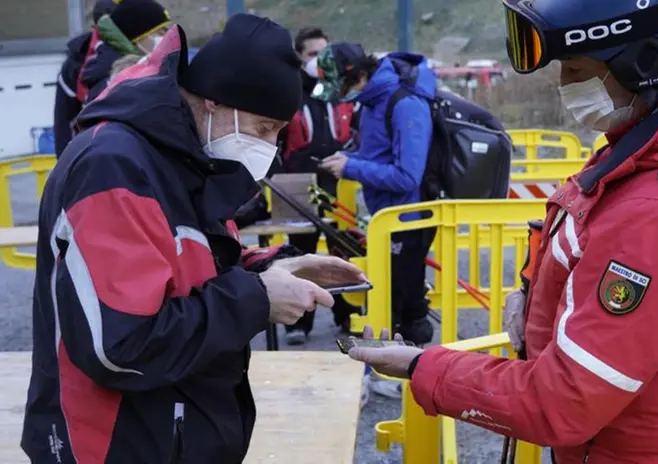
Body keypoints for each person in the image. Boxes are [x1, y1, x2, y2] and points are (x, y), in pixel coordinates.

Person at [348, 0, 658, 462]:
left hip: (636, 449)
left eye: (575, 67)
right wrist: (536, 293)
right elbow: (594, 228)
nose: (565, 84)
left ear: (643, 62)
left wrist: (422, 366)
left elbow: (562, 403)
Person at [22, 14, 366, 463]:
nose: (270, 147)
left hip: (166, 431)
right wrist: (257, 299)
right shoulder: (114, 166)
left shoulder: (178, 154)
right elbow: (120, 345)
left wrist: (270, 267)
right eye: (264, 129)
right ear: (213, 103)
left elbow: (185, 262)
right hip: (112, 442)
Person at [315, 42, 437, 348]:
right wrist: (348, 158)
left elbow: (408, 176)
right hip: (386, 218)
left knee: (401, 304)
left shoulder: (406, 103)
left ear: (355, 76)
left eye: (340, 87)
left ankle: (399, 375)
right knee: (397, 299)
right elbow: (377, 154)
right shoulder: (370, 103)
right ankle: (403, 369)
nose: (341, 97)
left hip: (409, 220)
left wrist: (351, 168)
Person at [275, 27, 361, 345]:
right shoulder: (287, 93)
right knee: (300, 254)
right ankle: (297, 321)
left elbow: (357, 132)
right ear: (299, 57)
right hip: (298, 185)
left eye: (325, 54)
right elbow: (273, 142)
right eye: (313, 54)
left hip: (339, 184)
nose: (319, 61)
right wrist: (280, 180)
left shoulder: (340, 89)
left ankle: (347, 314)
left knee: (345, 252)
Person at [53, 0, 171, 157]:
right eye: (160, 32)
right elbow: (66, 122)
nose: (165, 36)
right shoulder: (108, 74)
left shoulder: (149, 64)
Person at [53, 0, 116, 156]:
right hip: (94, 149)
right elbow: (63, 121)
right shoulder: (77, 62)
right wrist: (64, 165)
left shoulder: (145, 56)